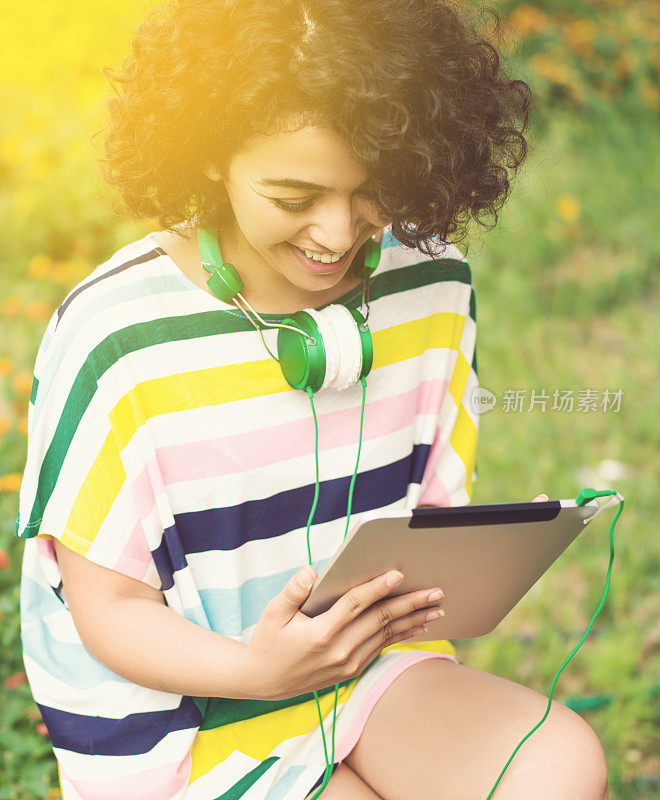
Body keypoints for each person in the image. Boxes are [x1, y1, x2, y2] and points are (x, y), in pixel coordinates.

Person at [15, 0, 609, 798]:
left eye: (374, 193)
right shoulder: (114, 332)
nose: (335, 233)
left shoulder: (433, 283)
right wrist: (255, 671)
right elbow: (110, 611)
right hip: (184, 718)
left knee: (560, 767)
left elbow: (419, 518)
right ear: (211, 155)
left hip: (368, 672)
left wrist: (480, 554)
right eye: (295, 198)